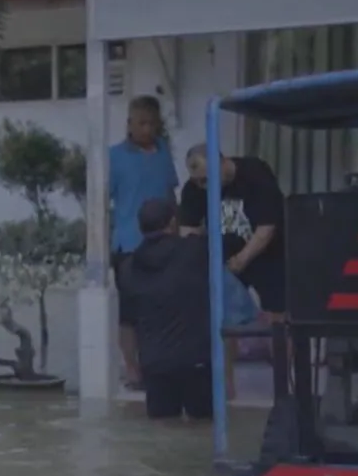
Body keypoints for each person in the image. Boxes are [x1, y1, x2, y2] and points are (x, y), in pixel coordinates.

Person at [180, 144, 286, 398]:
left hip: (268, 253)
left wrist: (243, 258)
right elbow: (187, 231)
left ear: (222, 162)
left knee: (278, 315)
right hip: (225, 259)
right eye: (199, 182)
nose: (204, 186)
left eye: (207, 180)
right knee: (221, 319)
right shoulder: (194, 188)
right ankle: (225, 386)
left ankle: (284, 382)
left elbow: (267, 227)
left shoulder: (255, 174)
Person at [119, 198, 213, 420]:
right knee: (202, 432)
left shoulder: (128, 267)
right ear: (172, 223)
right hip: (195, 361)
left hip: (154, 365)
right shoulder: (194, 251)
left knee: (163, 431)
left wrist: (132, 367)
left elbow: (126, 326)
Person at [109, 95, 180, 390]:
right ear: (129, 123)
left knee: (165, 308)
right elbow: (102, 202)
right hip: (128, 244)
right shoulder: (113, 156)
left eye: (152, 123)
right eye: (141, 123)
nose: (147, 129)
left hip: (167, 244)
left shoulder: (165, 152)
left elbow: (171, 195)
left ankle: (161, 365)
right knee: (130, 311)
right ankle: (133, 370)